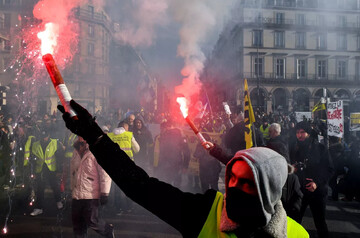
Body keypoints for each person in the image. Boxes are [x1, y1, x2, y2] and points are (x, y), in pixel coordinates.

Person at [58, 100, 308, 238]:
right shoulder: (207, 213)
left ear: (268, 192)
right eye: (231, 178)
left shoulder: (298, 236)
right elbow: (140, 186)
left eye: (244, 183)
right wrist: (95, 135)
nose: (231, 187)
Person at [289, 121, 334, 238]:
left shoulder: (320, 148)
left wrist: (316, 183)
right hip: (300, 191)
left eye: (302, 132)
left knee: (320, 223)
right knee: (294, 221)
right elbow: (291, 165)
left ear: (308, 133)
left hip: (317, 192)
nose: (299, 135)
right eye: (297, 132)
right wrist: (291, 169)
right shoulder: (294, 148)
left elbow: (329, 169)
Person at [70, 137, 114, 238]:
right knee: (77, 223)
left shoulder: (97, 150)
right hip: (76, 194)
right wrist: (72, 187)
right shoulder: (75, 150)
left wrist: (105, 193)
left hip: (91, 194)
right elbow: (73, 171)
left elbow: (105, 173)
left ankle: (107, 231)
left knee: (92, 221)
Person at [27, 129, 65, 216]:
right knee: (40, 188)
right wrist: (32, 171)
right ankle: (39, 208)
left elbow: (59, 157)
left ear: (49, 136)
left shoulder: (55, 143)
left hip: (51, 169)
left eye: (46, 137)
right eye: (43, 137)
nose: (44, 139)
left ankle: (58, 202)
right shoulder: (35, 144)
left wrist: (59, 170)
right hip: (40, 169)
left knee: (54, 186)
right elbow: (32, 158)